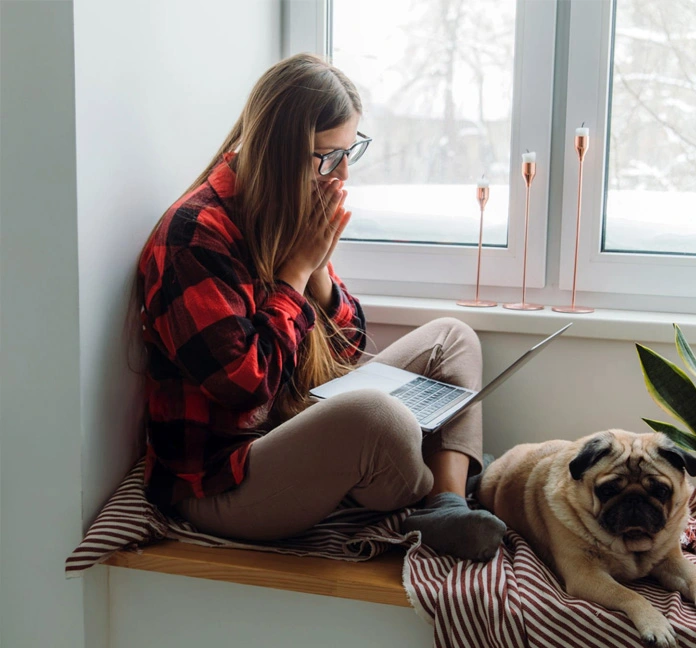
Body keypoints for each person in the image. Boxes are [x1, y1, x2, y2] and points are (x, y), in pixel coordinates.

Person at [135, 53, 505, 562]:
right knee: (376, 417)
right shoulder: (193, 236)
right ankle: (436, 474)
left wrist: (319, 274)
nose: (342, 172)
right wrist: (295, 274)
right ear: (280, 152)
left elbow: (347, 347)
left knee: (452, 337)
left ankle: (443, 505)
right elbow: (245, 387)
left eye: (350, 151)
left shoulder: (283, 209)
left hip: (292, 422)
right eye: (328, 155)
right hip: (224, 482)